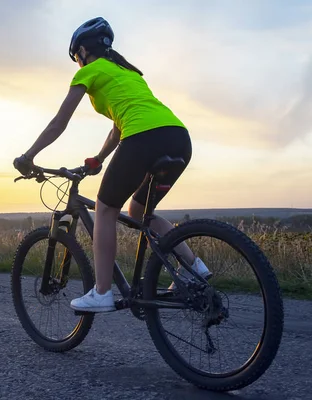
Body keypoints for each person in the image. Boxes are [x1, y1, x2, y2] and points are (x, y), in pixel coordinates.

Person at [13, 17, 211, 313]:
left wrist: (28, 156)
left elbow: (59, 122)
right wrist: (99, 159)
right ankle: (195, 267)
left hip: (144, 138)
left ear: (81, 52)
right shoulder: (128, 73)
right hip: (178, 137)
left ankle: (102, 292)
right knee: (140, 211)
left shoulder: (90, 71)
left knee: (105, 209)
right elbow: (120, 125)